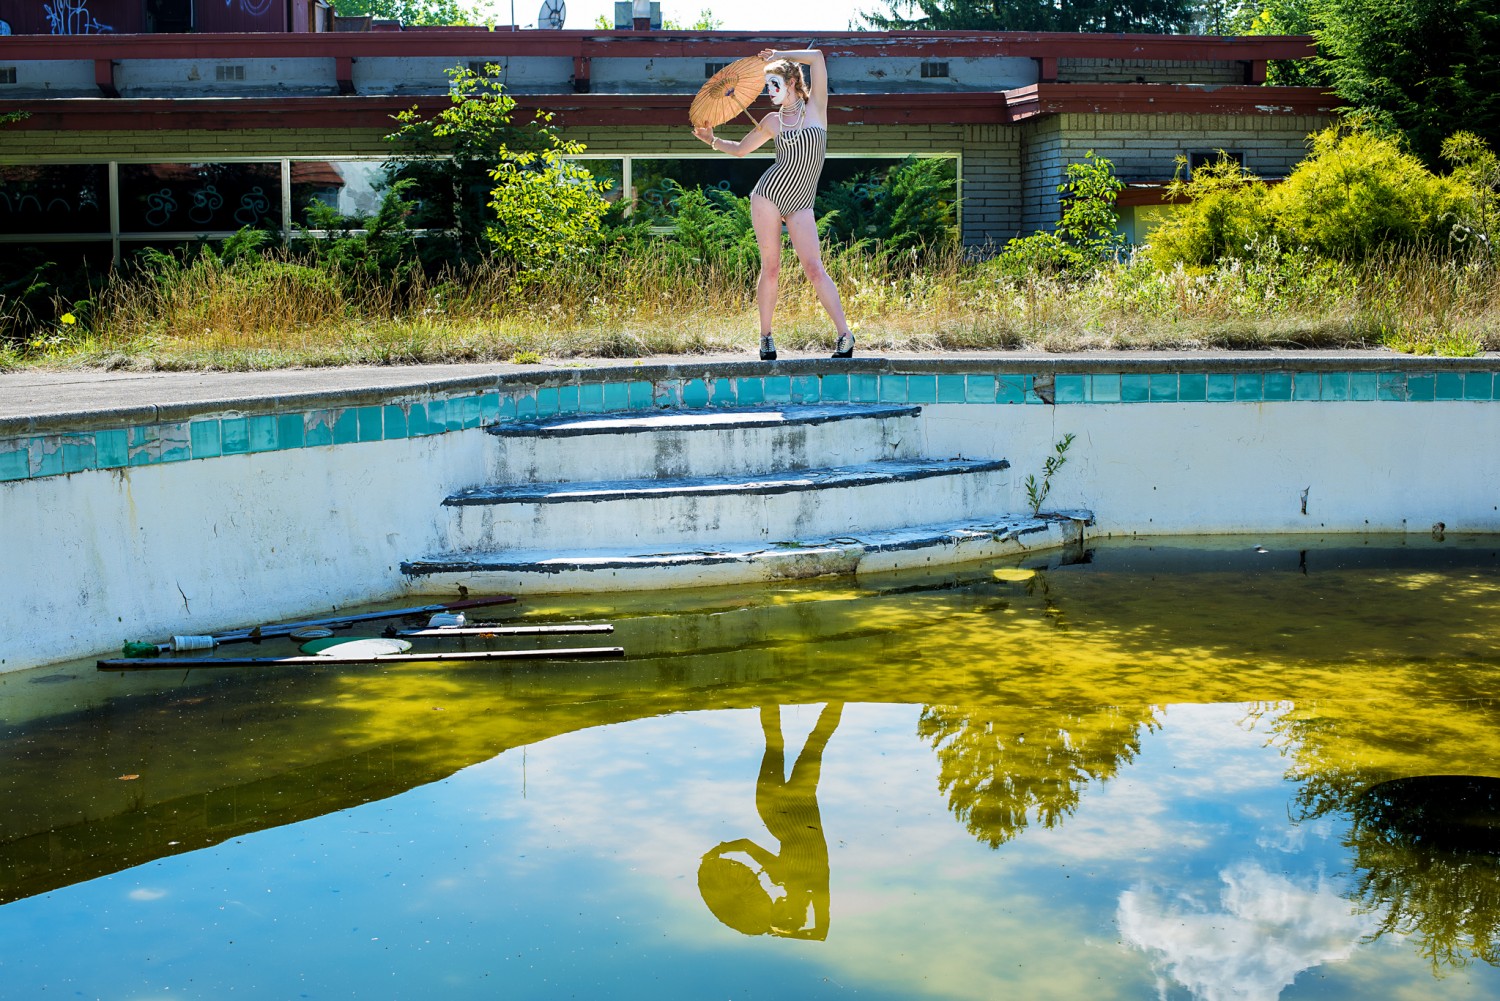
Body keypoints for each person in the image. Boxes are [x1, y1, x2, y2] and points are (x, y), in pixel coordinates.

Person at [693, 48, 856, 361]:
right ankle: (766, 337)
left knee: (814, 269)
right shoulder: (771, 121)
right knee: (771, 268)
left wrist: (780, 54)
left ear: (793, 82)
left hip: (801, 203)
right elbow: (741, 149)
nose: (770, 91)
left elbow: (819, 58)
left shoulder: (816, 109)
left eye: (774, 84)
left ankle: (845, 335)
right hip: (769, 194)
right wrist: (711, 140)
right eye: (768, 85)